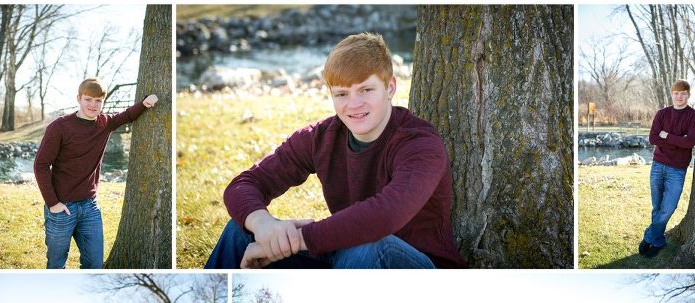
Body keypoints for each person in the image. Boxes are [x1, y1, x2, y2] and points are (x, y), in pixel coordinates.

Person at [205, 33, 466, 269]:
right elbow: (245, 183)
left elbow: (385, 216)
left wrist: (297, 240)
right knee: (240, 232)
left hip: (417, 268)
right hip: (347, 256)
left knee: (371, 244)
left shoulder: (419, 144)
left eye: (365, 89)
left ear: (390, 87)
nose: (354, 104)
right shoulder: (320, 137)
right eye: (342, 94)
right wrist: (265, 227)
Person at [34, 78, 159, 269]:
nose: (93, 105)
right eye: (88, 99)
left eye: (98, 101)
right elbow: (41, 165)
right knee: (56, 264)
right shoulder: (59, 127)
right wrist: (53, 203)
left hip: (90, 207)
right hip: (61, 207)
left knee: (94, 265)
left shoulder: (104, 123)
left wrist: (144, 103)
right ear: (79, 98)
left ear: (103, 101)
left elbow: (126, 116)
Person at [638, 80, 695, 258]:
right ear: (671, 94)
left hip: (677, 169)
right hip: (658, 165)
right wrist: (678, 140)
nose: (679, 96)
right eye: (676, 93)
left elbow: (690, 142)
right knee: (657, 207)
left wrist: (667, 136)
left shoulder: (693, 116)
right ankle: (658, 241)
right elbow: (653, 138)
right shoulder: (662, 114)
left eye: (683, 93)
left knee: (668, 207)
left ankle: (649, 236)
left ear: (688, 95)